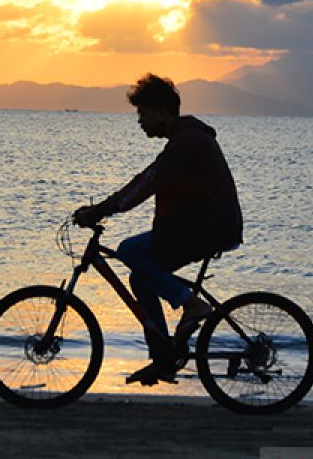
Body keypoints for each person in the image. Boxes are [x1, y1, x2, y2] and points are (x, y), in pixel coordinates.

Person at [73, 73, 243, 386]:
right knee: (141, 275)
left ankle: (192, 305)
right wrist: (109, 207)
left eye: (142, 113)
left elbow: (147, 182)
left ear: (161, 112)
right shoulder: (185, 138)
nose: (139, 121)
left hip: (209, 227)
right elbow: (150, 182)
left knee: (130, 250)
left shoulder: (187, 141)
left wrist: (101, 209)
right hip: (200, 226)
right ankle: (163, 357)